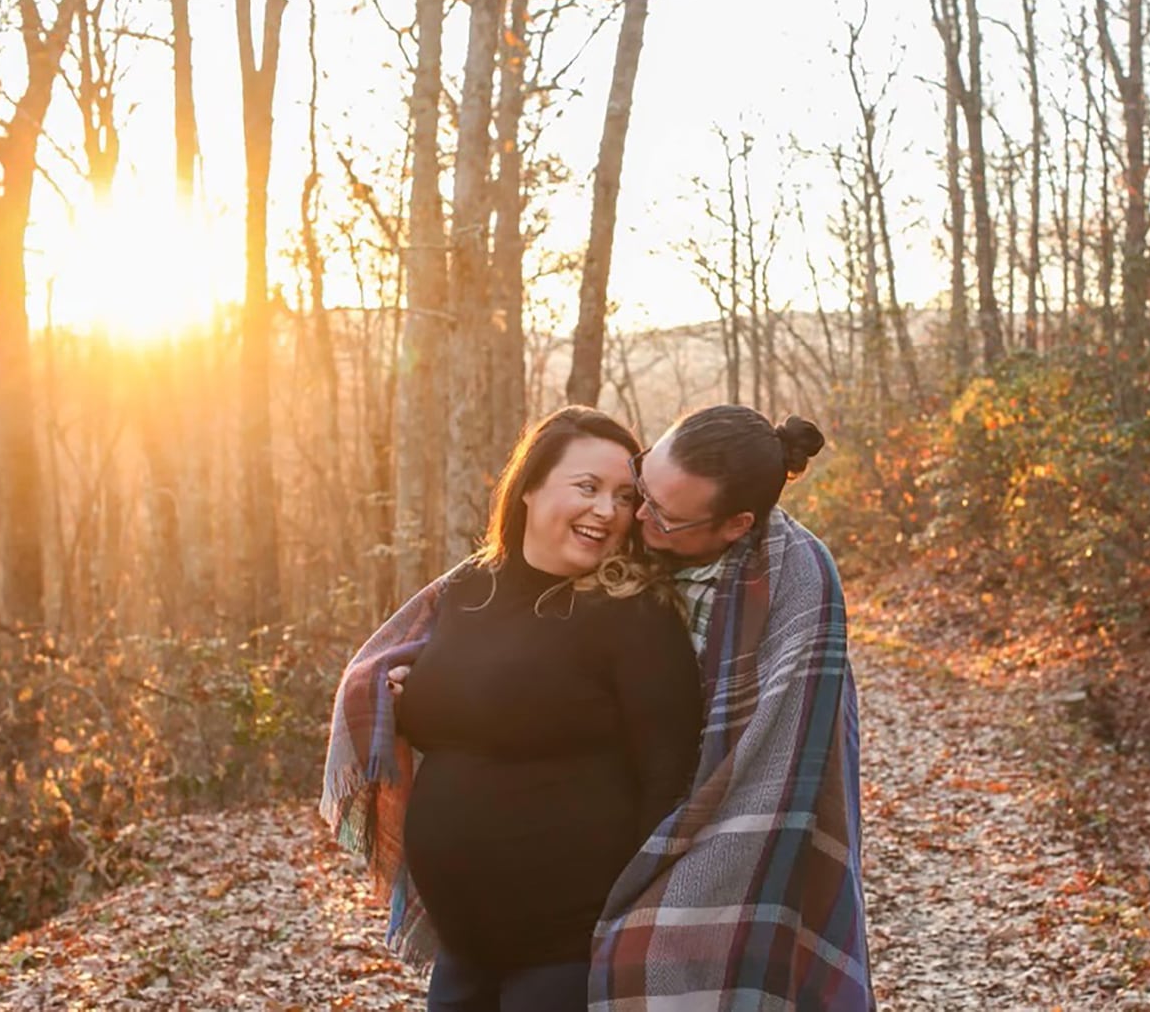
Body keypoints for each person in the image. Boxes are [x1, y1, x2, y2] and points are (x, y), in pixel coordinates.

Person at [320, 406, 703, 1012]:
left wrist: (635, 927)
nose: (607, 510)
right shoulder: (469, 589)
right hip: (464, 947)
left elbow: (670, 783)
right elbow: (466, 709)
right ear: (528, 488)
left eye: (625, 497)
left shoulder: (634, 616)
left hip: (567, 949)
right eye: (587, 486)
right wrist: (405, 697)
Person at [589, 404, 875, 1010]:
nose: (637, 516)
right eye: (643, 486)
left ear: (735, 526)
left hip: (721, 818)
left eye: (663, 516)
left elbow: (786, 758)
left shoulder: (796, 585)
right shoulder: (626, 524)